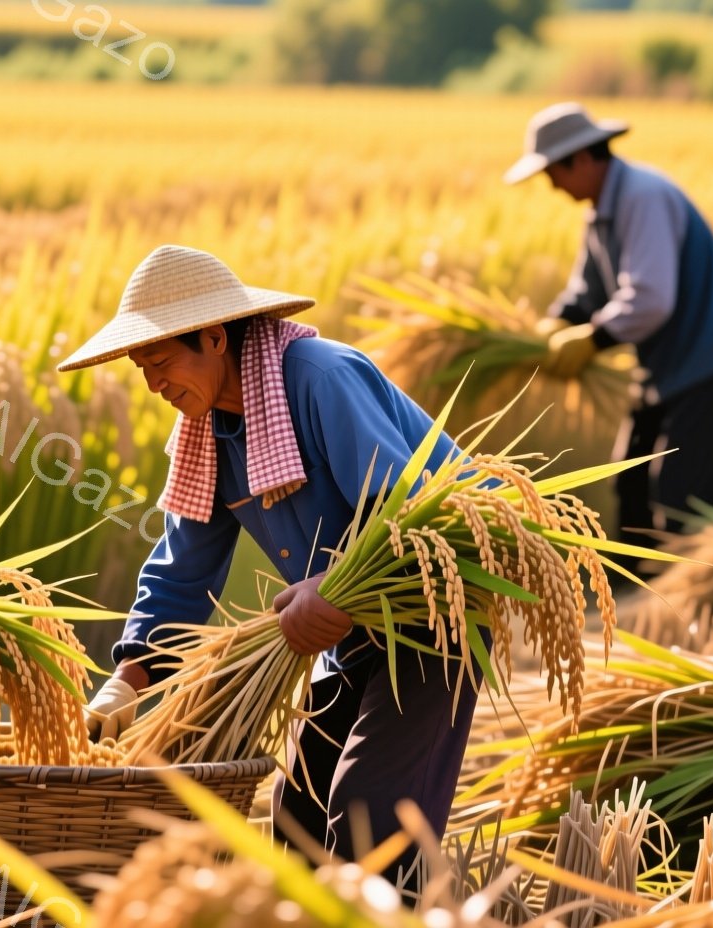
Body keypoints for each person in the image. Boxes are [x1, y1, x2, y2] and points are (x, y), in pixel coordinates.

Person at [63, 244, 475, 876]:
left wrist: (332, 585)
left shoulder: (320, 378)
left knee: (373, 811)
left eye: (161, 360)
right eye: (141, 367)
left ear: (215, 338)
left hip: (432, 617)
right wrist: (130, 678)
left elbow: (407, 513)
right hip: (347, 635)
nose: (153, 384)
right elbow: (183, 567)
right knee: (298, 815)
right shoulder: (208, 434)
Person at [508, 102, 713, 574]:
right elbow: (587, 289)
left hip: (710, 355)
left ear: (581, 160)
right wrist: (558, 321)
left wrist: (593, 340)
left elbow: (650, 297)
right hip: (666, 360)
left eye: (553, 173)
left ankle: (684, 589)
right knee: (629, 474)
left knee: (682, 492)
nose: (552, 185)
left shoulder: (643, 198)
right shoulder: (601, 211)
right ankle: (633, 581)